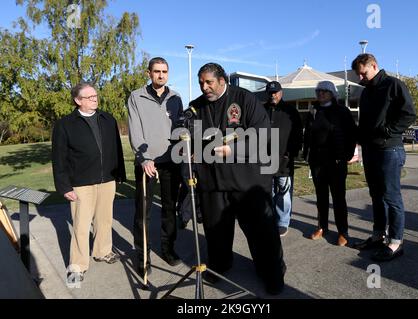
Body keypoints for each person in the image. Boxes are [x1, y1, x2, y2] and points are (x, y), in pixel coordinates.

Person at [189, 63, 285, 295]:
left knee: (260, 231)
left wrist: (233, 150)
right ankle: (220, 265)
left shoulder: (245, 99)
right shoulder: (196, 107)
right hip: (213, 182)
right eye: (201, 83)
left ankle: (271, 272)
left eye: (209, 82)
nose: (204, 87)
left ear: (223, 81)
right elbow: (191, 139)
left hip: (247, 182)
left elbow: (263, 135)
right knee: (216, 230)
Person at [52, 82, 126, 287]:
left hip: (107, 180)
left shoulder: (107, 119)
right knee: (81, 226)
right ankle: (77, 265)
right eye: (90, 97)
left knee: (104, 220)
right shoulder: (65, 124)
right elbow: (59, 158)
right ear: (78, 100)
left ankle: (103, 251)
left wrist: (119, 173)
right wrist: (64, 186)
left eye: (95, 96)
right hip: (81, 183)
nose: (95, 99)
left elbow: (117, 149)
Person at [351, 54, 416, 261]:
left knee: (391, 197)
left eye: (364, 73)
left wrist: (388, 131)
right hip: (370, 150)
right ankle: (378, 236)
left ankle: (396, 242)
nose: (361, 77)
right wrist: (358, 142)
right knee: (376, 196)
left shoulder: (393, 85)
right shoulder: (366, 92)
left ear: (374, 66)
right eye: (359, 75)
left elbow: (408, 113)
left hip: (389, 150)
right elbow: (364, 122)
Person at [127, 57, 183, 275]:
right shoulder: (136, 96)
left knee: (169, 209)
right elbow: (135, 130)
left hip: (171, 162)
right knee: (143, 213)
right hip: (146, 163)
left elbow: (180, 128)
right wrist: (144, 158)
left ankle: (168, 249)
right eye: (157, 71)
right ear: (148, 73)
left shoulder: (176, 97)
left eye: (165, 71)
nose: (161, 75)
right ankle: (143, 258)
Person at [302, 81, 357, 246]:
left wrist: (346, 155)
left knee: (338, 198)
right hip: (317, 161)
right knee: (321, 196)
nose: (321, 94)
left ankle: (343, 232)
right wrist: (306, 154)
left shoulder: (342, 111)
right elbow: (307, 135)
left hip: (336, 161)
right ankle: (322, 227)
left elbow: (352, 134)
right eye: (318, 91)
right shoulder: (313, 111)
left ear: (332, 93)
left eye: (324, 91)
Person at [264, 81, 303, 237]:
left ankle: (282, 222)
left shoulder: (290, 111)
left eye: (275, 92)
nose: (273, 95)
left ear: (281, 93)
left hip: (284, 161)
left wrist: (291, 152)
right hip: (265, 159)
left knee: (284, 192)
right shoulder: (262, 109)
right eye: (270, 93)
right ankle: (270, 218)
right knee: (268, 192)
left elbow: (298, 134)